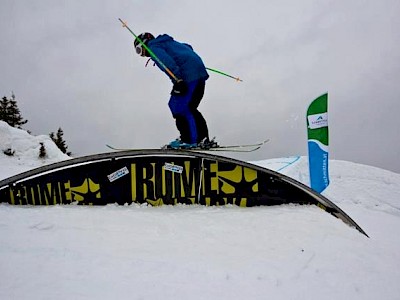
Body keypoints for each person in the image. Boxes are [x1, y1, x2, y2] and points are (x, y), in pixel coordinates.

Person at [133, 32, 214, 149]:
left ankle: (190, 140)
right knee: (188, 107)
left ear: (144, 43)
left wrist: (178, 79)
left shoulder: (153, 47)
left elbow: (166, 62)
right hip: (198, 74)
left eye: (139, 50)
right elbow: (188, 47)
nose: (143, 55)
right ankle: (202, 138)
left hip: (187, 77)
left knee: (180, 107)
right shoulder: (168, 43)